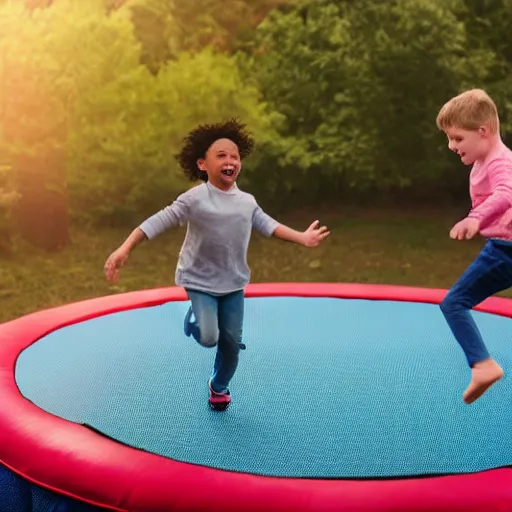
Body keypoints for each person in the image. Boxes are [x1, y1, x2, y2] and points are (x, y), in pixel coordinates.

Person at [104, 119, 330, 411]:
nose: (230, 160)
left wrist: (302, 237)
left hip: (233, 283)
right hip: (199, 281)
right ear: (202, 164)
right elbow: (156, 222)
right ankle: (195, 319)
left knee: (232, 345)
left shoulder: (247, 202)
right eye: (221, 155)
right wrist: (125, 247)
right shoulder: (194, 199)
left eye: (234, 156)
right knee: (210, 337)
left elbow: (268, 225)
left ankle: (218, 387)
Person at [436, 88, 512, 404]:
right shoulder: (483, 162)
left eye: (457, 138)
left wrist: (475, 218)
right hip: (501, 248)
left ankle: (483, 365)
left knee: (453, 303)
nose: (452, 146)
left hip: (505, 250)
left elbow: (506, 193)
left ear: (483, 131)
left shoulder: (499, 163)